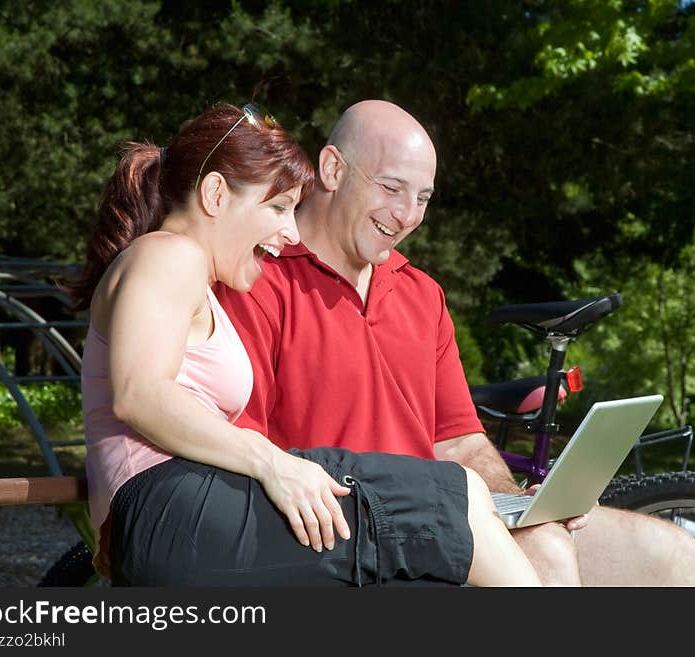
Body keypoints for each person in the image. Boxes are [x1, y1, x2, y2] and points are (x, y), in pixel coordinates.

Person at [215, 99, 695, 586]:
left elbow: (459, 441)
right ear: (332, 168)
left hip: (449, 517)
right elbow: (247, 452)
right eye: (392, 188)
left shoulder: (421, 294)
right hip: (350, 535)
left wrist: (518, 501)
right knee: (547, 551)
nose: (407, 215)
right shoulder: (258, 279)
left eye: (424, 198)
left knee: (671, 553)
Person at [67, 101, 541, 587]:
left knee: (454, 516)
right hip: (174, 508)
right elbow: (140, 394)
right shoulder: (169, 254)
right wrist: (274, 462)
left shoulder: (192, 277)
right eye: (276, 207)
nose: (289, 230)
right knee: (454, 499)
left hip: (189, 509)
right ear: (214, 194)